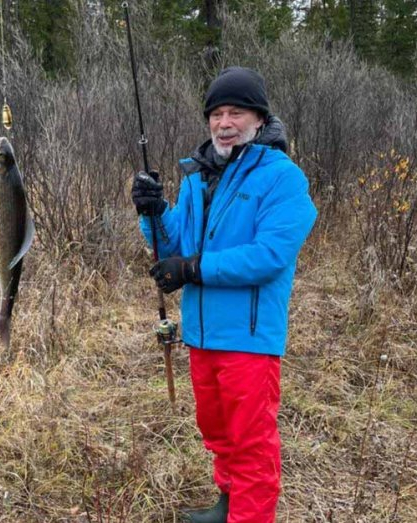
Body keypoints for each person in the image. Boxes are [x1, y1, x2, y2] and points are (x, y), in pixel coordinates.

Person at [131, 66, 317, 523]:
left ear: (259, 120)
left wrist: (193, 269)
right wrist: (152, 212)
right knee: (216, 432)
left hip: (249, 337)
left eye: (236, 112)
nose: (225, 123)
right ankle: (227, 503)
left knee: (251, 443)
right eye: (216, 113)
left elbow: (269, 255)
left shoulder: (283, 179)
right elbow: (172, 245)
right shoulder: (198, 177)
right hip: (201, 333)